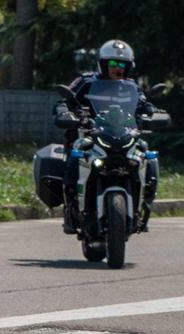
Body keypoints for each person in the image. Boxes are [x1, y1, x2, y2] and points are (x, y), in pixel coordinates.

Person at [54, 40, 160, 233]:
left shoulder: (132, 87)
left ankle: (144, 205)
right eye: (112, 63)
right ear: (103, 64)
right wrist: (64, 112)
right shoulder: (86, 82)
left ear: (129, 67)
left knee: (147, 155)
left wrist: (153, 113)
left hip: (124, 135)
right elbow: (65, 101)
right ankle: (71, 209)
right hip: (90, 135)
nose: (117, 68)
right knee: (75, 156)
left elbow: (145, 106)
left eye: (122, 64)